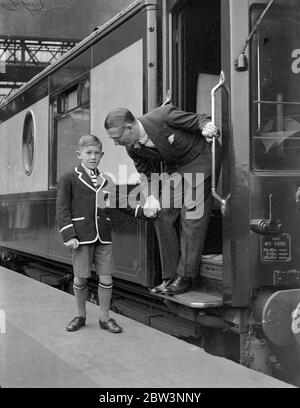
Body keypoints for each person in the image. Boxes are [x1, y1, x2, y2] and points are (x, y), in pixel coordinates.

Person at [104, 104, 222, 295]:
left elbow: (197, 119)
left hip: (201, 160)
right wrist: (150, 197)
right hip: (176, 168)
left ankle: (186, 277)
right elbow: (145, 174)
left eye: (117, 138)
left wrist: (206, 126)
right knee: (161, 214)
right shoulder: (132, 148)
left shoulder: (162, 116)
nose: (116, 143)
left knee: (191, 217)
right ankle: (169, 276)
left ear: (130, 128)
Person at [56, 134, 145, 333]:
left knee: (106, 279)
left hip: (103, 236)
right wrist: (69, 235)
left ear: (102, 155)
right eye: (88, 153)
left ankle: (104, 318)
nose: (93, 157)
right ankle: (80, 315)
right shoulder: (68, 178)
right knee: (80, 278)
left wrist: (142, 211)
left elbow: (121, 202)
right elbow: (62, 209)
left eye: (97, 153)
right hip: (80, 237)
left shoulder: (106, 179)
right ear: (79, 154)